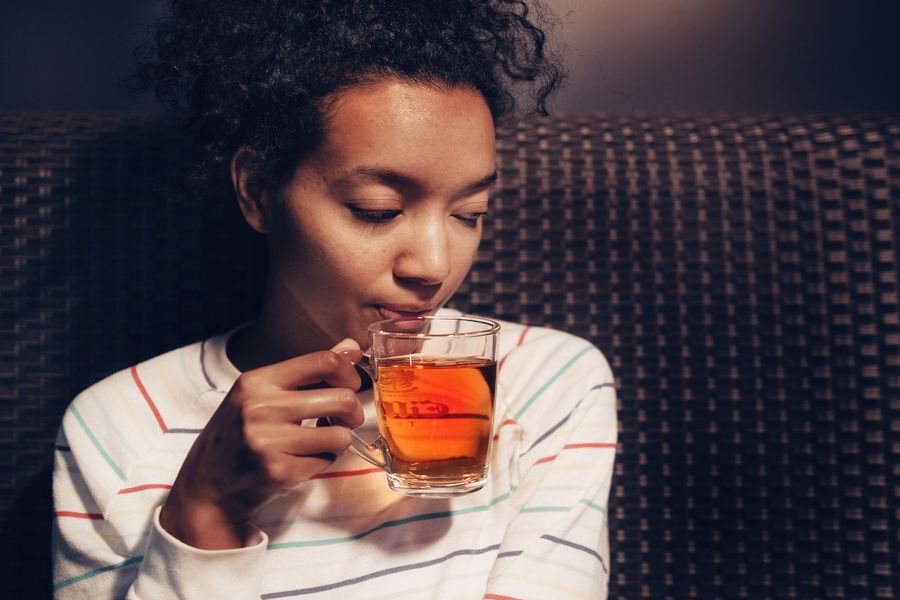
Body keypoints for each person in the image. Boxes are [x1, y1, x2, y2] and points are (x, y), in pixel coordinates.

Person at [51, 1, 618, 598]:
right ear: (259, 192)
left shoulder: (546, 382)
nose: (434, 266)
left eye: (468, 214)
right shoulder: (114, 427)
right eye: (378, 210)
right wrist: (205, 515)